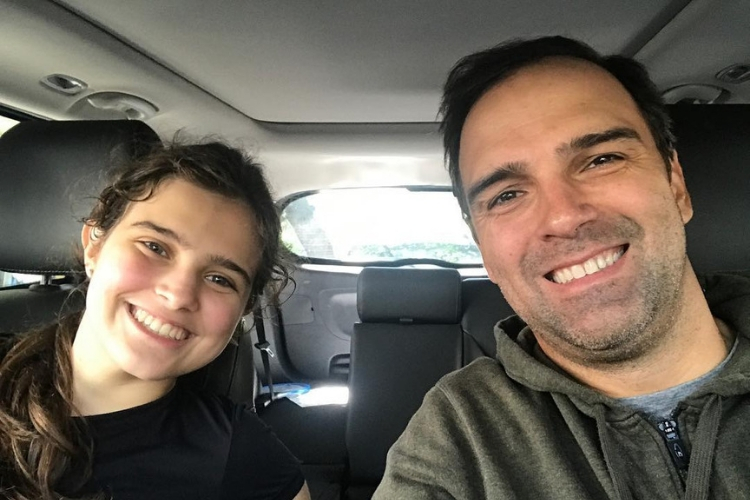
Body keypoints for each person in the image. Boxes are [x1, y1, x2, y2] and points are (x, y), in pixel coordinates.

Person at [373, 36, 750, 499]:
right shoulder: (456, 439)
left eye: (601, 160)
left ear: (675, 185)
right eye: (507, 195)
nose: (563, 217)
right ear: (484, 250)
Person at [0, 141, 311, 500]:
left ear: (244, 309)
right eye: (155, 247)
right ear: (94, 245)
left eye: (220, 279)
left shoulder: (242, 455)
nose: (178, 295)